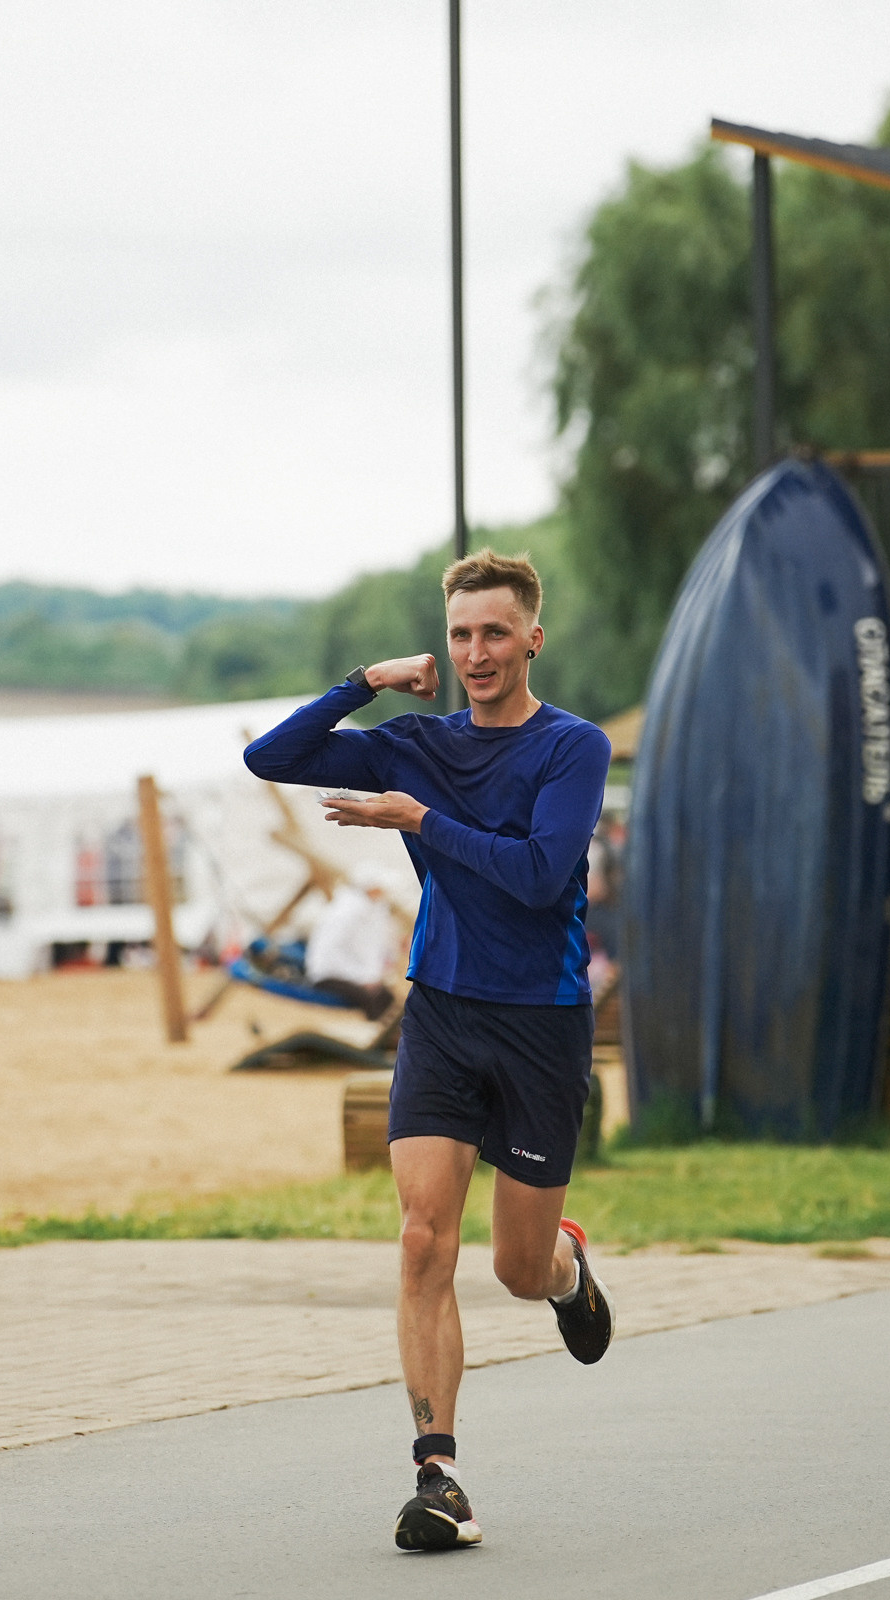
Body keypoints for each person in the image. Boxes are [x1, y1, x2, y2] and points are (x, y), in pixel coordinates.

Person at [245, 549, 614, 1553]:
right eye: (461, 635)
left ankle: (568, 1271)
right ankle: (438, 1475)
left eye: (496, 632)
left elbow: (540, 877)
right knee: (419, 1239)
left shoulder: (572, 749)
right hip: (444, 1012)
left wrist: (418, 819)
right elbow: (269, 758)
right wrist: (362, 683)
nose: (476, 652)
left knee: (515, 1266)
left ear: (533, 636)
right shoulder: (416, 741)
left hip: (541, 1020)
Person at [303, 864, 401, 1021]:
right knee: (368, 997)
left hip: (352, 974)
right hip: (329, 974)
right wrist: (363, 979)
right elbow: (330, 953)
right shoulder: (345, 911)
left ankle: (387, 1034)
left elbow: (370, 948)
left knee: (386, 996)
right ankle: (373, 1034)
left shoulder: (373, 910)